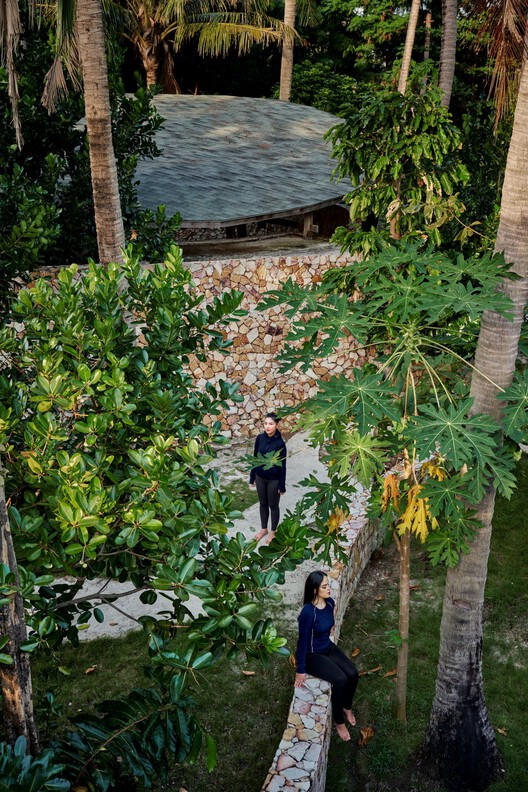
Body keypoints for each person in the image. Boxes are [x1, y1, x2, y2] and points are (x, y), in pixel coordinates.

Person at [295, 571, 358, 742]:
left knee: (353, 674)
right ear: (315, 590)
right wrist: (300, 670)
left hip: (327, 647)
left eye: (328, 585)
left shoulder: (329, 603)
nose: (328, 588)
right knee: (340, 680)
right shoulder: (308, 613)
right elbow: (302, 643)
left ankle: (347, 706)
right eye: (324, 586)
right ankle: (339, 721)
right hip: (312, 655)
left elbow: (329, 624)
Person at [249, 412, 287, 545]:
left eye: (271, 424)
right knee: (263, 503)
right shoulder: (260, 438)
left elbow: (283, 465)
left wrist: (281, 485)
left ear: (276, 425)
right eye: (265, 423)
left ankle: (273, 531)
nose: (268, 426)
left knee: (273, 505)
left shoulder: (280, 443)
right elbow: (255, 457)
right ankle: (264, 529)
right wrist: (252, 475)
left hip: (273, 479)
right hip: (260, 477)